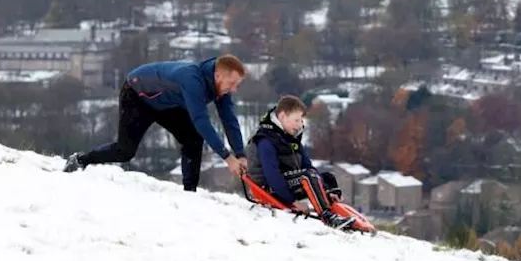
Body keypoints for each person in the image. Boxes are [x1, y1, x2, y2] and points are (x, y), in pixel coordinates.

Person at [64, 54, 249, 191]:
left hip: (165, 103)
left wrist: (240, 154)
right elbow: (200, 119)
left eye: (237, 85)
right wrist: (227, 157)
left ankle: (189, 193)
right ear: (218, 76)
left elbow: (229, 119)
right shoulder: (192, 80)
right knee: (125, 151)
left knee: (192, 138)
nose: (234, 89)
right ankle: (81, 160)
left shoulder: (222, 89)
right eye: (232, 83)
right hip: (137, 95)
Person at [246, 95, 355, 230]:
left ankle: (335, 208)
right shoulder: (265, 140)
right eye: (296, 120)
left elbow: (307, 166)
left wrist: (326, 189)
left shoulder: (290, 138)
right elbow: (272, 176)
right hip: (269, 190)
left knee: (327, 177)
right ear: (283, 116)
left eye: (301, 120)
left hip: (287, 182)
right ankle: (327, 217)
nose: (299, 125)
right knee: (308, 176)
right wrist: (294, 202)